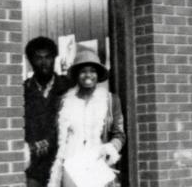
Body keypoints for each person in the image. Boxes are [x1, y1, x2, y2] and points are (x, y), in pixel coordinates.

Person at [48, 50, 125, 187]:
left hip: (97, 163)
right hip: (71, 164)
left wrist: (109, 148)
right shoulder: (64, 102)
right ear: (77, 75)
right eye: (83, 71)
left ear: (98, 75)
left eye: (92, 71)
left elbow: (119, 134)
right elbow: (55, 136)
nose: (88, 75)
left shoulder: (110, 100)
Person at [24, 37, 76, 187]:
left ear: (54, 58)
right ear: (30, 61)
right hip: (35, 168)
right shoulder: (23, 90)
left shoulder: (68, 86)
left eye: (48, 57)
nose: (44, 62)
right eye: (38, 58)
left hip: (64, 162)